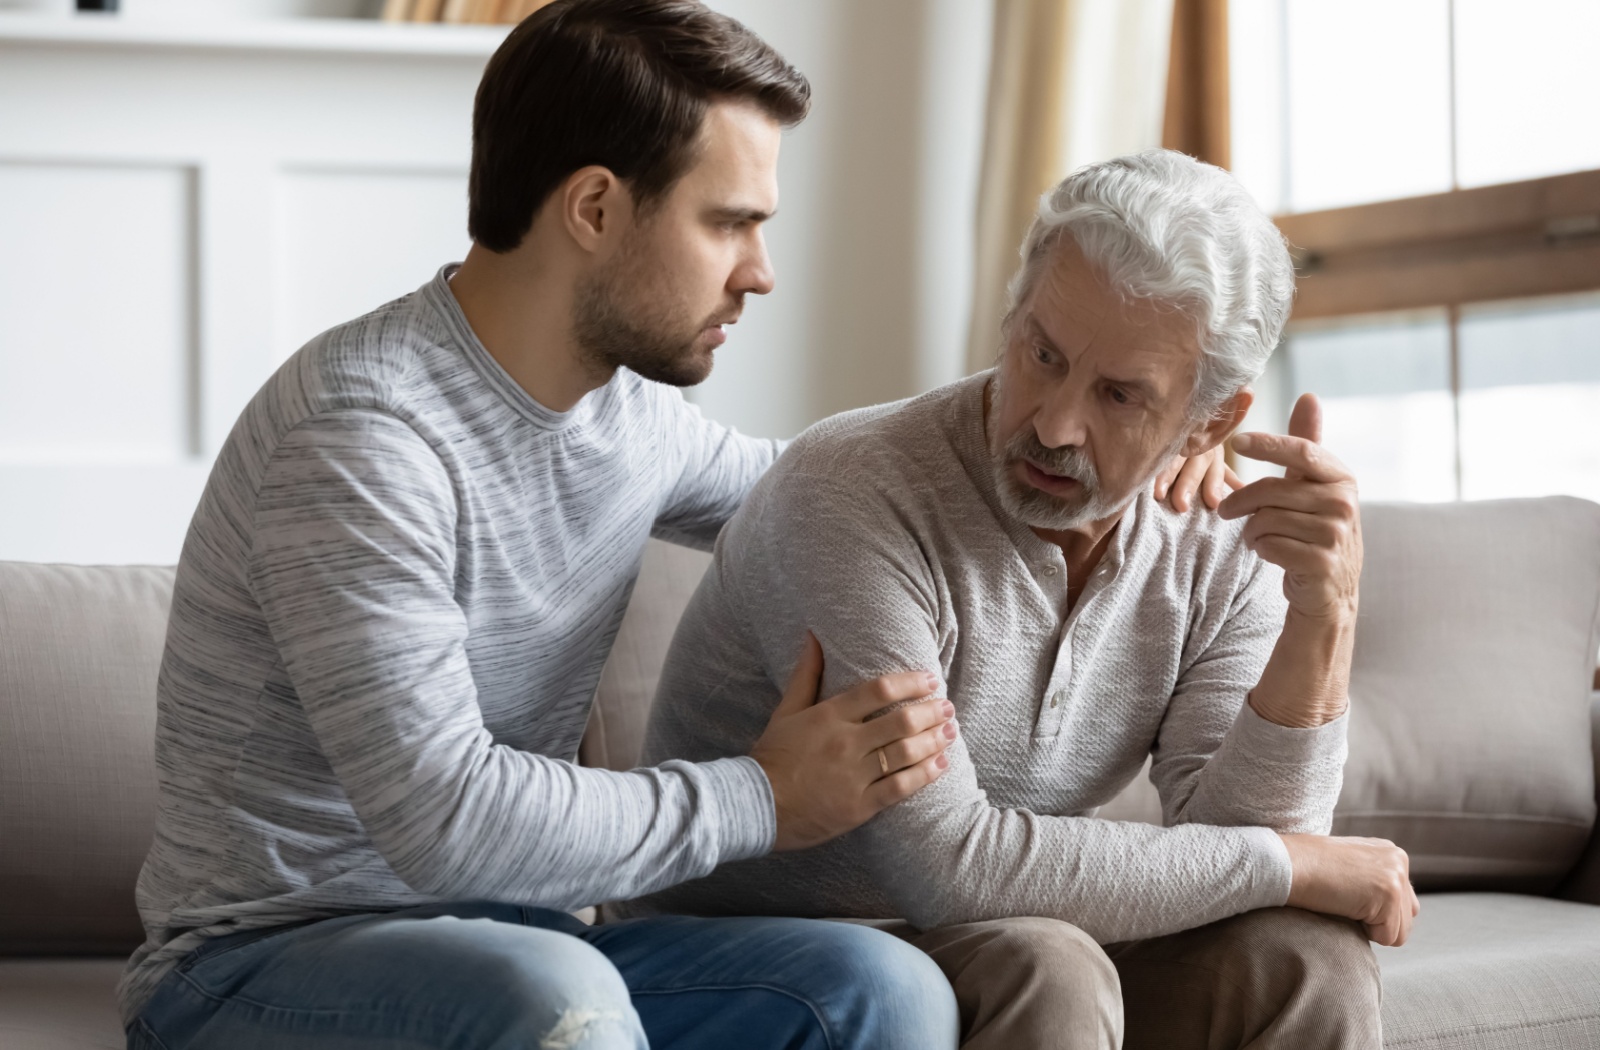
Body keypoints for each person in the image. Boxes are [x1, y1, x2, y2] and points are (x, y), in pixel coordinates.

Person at [118, 3, 968, 1047]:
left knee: (883, 990)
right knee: (555, 997)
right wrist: (762, 797)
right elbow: (446, 816)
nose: (760, 272)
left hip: (529, 946)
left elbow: (839, 492)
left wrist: (1117, 442)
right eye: (728, 221)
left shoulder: (633, 418)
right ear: (597, 209)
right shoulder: (363, 436)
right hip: (256, 967)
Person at [634, 150, 1420, 1050]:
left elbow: (1247, 856)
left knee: (1302, 955)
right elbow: (947, 866)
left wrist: (1325, 614)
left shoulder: (1218, 537)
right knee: (1052, 964)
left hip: (988, 941)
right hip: (743, 960)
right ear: (1011, 314)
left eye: (1120, 395)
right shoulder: (856, 492)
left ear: (1208, 421)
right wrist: (1282, 863)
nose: (1053, 423)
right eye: (1041, 354)